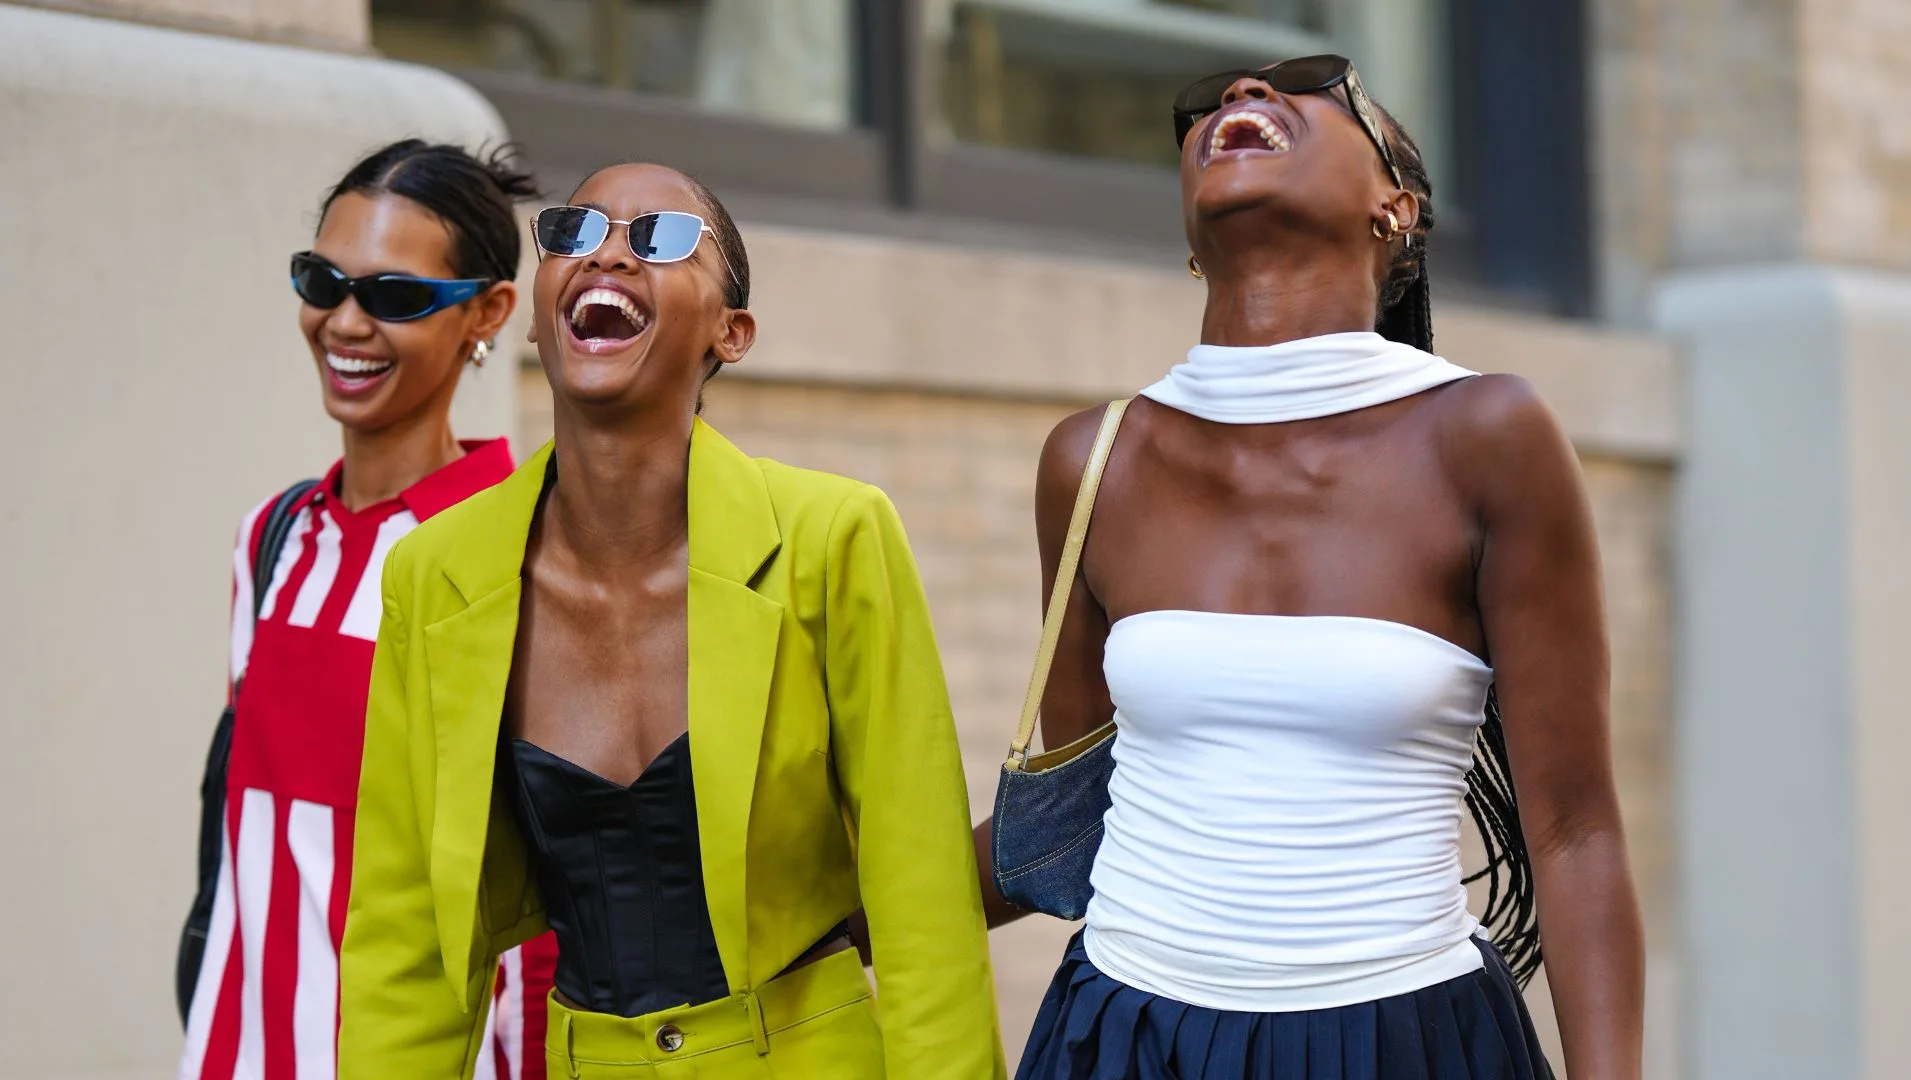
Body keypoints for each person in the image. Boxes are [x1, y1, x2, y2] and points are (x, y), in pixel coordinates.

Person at [978, 56, 1645, 1079]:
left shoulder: (1487, 434)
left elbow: (1576, 832)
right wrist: (806, 915)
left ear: (1396, 207)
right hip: (1124, 1037)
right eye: (1211, 103)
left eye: (1307, 87)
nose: (1241, 94)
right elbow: (1069, 825)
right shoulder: (1094, 459)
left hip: (1404, 1038)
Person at [337, 162, 1004, 1079]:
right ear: (537, 313)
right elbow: (403, 936)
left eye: (661, 239)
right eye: (573, 231)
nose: (607, 252)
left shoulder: (832, 538)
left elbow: (924, 902)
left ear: (731, 333)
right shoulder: (438, 575)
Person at [177, 139, 559, 1080]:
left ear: (488, 312)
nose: (345, 322)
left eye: (393, 297)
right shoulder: (270, 539)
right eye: (323, 281)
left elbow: (549, 889)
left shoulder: (521, 553)